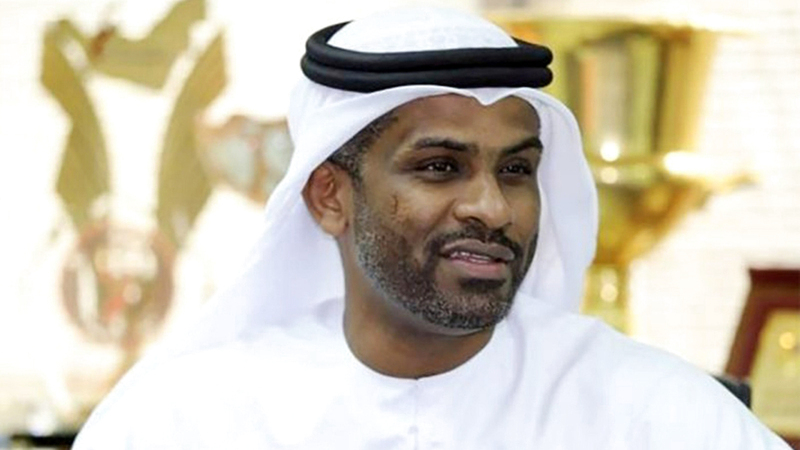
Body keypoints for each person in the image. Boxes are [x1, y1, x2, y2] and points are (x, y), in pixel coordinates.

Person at [73, 7, 790, 449]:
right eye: (441, 167)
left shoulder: (659, 417)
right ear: (329, 196)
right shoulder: (180, 422)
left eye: (516, 169)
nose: (493, 208)